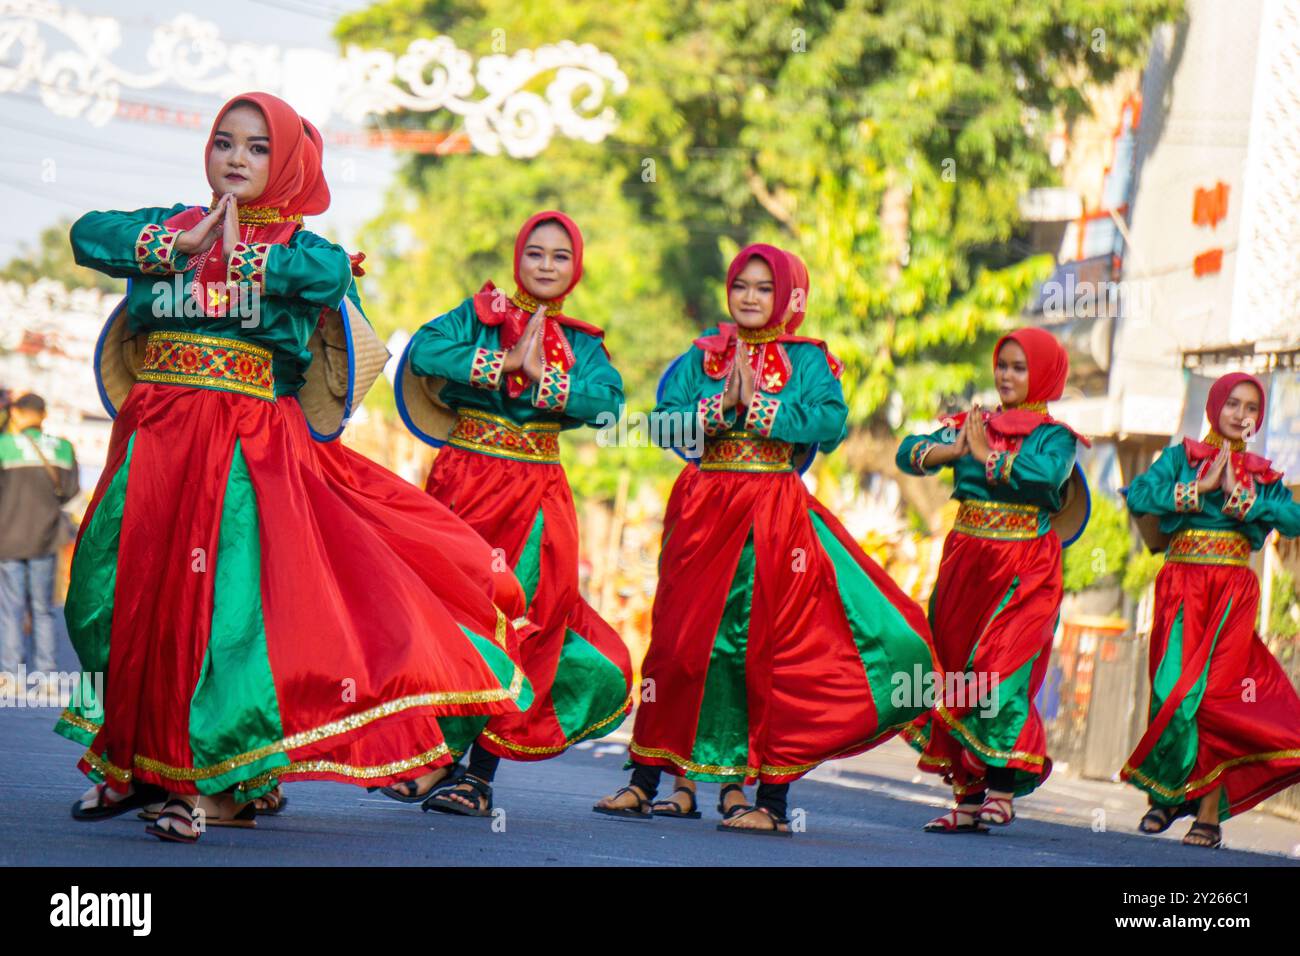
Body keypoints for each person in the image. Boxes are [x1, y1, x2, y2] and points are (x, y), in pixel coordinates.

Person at [61, 91, 531, 843]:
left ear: (285, 167)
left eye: (256, 148)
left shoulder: (304, 247)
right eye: (224, 142)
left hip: (243, 442)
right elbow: (87, 234)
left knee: (223, 614)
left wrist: (241, 254)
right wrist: (174, 248)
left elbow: (322, 280)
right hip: (154, 433)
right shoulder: (169, 225)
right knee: (110, 593)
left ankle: (208, 784)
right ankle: (139, 760)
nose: (236, 158)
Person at [593, 245, 936, 835]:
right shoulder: (703, 353)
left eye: (764, 288)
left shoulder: (807, 360)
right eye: (741, 286)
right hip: (702, 509)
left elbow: (829, 423)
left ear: (789, 298)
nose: (749, 297)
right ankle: (645, 777)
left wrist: (761, 406)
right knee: (677, 645)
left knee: (765, 652)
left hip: (773, 514)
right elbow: (660, 423)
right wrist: (719, 403)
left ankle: (767, 801)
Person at [395, 210, 632, 814]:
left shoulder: (583, 343)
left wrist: (546, 381)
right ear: (517, 257)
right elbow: (425, 351)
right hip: (462, 483)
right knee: (447, 613)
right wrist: (500, 364)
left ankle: (477, 778)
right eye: (535, 253)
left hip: (533, 496)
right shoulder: (478, 316)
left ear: (575, 268)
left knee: (516, 622)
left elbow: (607, 403)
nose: (546, 265)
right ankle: (436, 759)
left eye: (560, 256)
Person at [895, 327, 1088, 832]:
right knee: (959, 674)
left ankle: (1002, 790)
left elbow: (1045, 478)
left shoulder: (1056, 436)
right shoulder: (971, 422)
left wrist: (985, 458)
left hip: (1027, 566)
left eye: (1019, 367)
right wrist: (954, 448)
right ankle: (966, 799)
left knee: (1002, 675)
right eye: (1002, 364)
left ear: (1044, 374)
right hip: (967, 563)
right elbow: (908, 451)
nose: (1006, 375)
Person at [1122, 372, 1300, 848]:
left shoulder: (1262, 473)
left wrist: (1253, 502)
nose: (1242, 415)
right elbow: (1138, 495)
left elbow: (1294, 519)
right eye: (1234, 404)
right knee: (1172, 692)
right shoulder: (1182, 458)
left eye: (1251, 408)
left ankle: (1208, 815)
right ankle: (1166, 792)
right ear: (1215, 405)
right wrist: (1196, 490)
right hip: (1182, 586)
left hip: (1232, 593)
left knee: (1219, 702)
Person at [0, 392, 79, 696]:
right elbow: (70, 492)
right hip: (45, 538)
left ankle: (11, 676)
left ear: (18, 414)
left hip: (8, 539)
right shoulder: (62, 448)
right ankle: (46, 677)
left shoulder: (4, 447)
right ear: (43, 415)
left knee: (11, 608)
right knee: (42, 609)